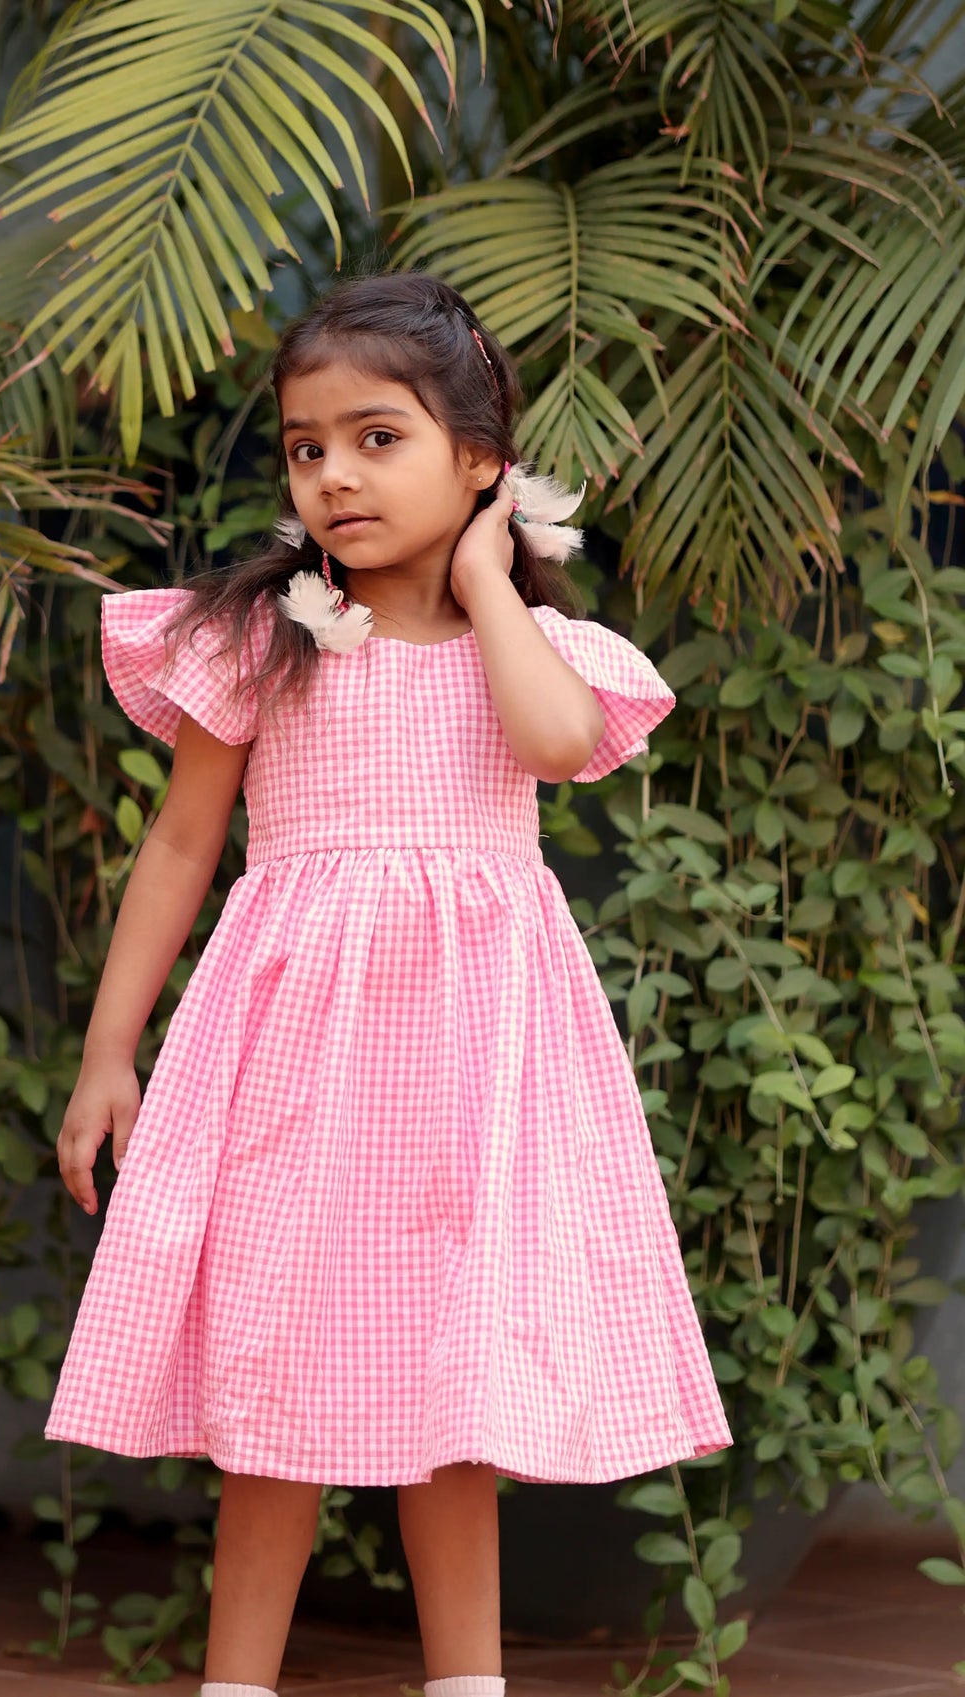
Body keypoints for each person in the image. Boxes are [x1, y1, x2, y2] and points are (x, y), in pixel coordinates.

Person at [48, 272, 733, 1697]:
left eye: (377, 438)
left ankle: (464, 1685)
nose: (334, 476)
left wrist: (488, 584)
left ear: (481, 461)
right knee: (278, 1376)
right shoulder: (263, 639)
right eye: (307, 446)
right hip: (297, 1053)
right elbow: (184, 841)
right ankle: (237, 1682)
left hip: (476, 1067)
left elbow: (553, 746)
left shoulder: (530, 653)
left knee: (457, 1383)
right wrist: (112, 1049)